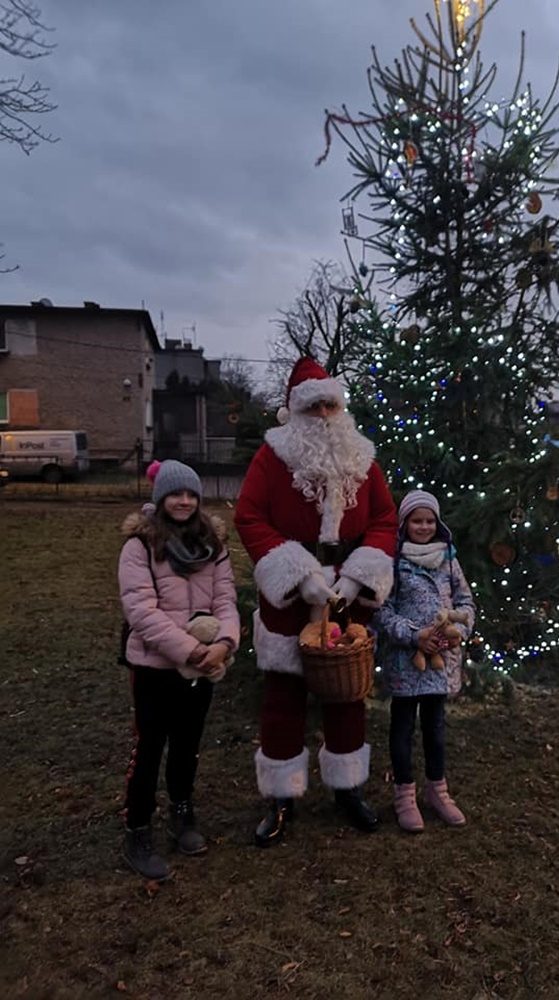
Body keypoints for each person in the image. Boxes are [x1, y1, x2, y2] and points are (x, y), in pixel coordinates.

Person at [234, 356, 397, 847]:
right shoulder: (271, 457)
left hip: (347, 592)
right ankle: (281, 798)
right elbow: (249, 517)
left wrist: (357, 578)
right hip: (291, 593)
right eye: (315, 406)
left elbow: (385, 520)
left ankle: (347, 788)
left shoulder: (363, 458)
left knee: (346, 695)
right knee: (283, 697)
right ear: (296, 411)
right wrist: (298, 574)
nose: (325, 414)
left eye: (332, 404)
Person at [118, 459, 240, 881]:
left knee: (188, 744)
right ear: (161, 498)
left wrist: (224, 644)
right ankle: (137, 829)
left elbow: (225, 600)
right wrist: (190, 651)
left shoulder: (214, 545)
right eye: (175, 494)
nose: (184, 501)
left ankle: (182, 812)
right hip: (155, 668)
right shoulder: (140, 546)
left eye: (191, 494)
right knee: (150, 747)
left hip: (204, 667)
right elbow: (141, 612)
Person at [374, 490, 475, 833]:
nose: (423, 526)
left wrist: (457, 630)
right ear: (405, 524)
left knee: (435, 728)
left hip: (441, 660)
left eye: (429, 520)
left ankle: (438, 790)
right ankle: (404, 794)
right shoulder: (394, 562)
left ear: (438, 523)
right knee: (402, 728)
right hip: (407, 660)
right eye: (416, 520)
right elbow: (382, 611)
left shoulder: (449, 558)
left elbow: (465, 600)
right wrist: (413, 635)